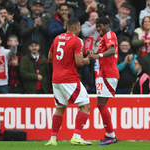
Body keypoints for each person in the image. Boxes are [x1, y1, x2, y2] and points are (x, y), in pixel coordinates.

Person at [45, 18, 92, 146]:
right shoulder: (77, 40)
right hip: (69, 78)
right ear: (77, 28)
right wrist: (87, 59)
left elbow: (49, 57)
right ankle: (76, 137)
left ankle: (52, 139)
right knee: (85, 106)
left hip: (56, 79)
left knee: (60, 108)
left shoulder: (57, 38)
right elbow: (79, 62)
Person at [88, 17, 119, 145]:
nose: (98, 29)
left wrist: (98, 55)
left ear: (107, 25)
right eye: (97, 26)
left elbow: (112, 50)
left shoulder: (110, 34)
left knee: (101, 104)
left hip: (108, 74)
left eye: (100, 26)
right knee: (100, 104)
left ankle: (111, 135)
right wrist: (93, 53)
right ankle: (109, 134)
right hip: (103, 74)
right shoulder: (102, 39)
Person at [81, 11, 99, 93]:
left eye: (96, 16)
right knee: (86, 74)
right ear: (89, 18)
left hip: (95, 55)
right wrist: (94, 26)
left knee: (94, 75)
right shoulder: (85, 25)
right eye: (92, 16)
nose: (94, 18)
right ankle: (85, 91)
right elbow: (85, 33)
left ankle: (94, 91)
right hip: (85, 55)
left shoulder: (99, 28)